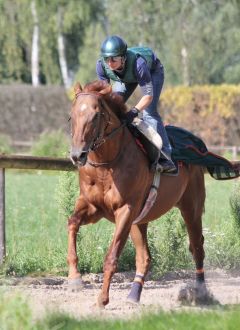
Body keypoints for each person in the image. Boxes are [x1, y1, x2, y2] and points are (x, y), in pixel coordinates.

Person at [96, 35, 176, 173]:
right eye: (106, 59)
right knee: (112, 109)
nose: (109, 63)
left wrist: (133, 112)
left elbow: (148, 96)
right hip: (126, 77)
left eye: (114, 59)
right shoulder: (101, 66)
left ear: (123, 57)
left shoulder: (139, 64)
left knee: (148, 112)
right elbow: (107, 97)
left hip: (152, 71)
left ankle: (166, 157)